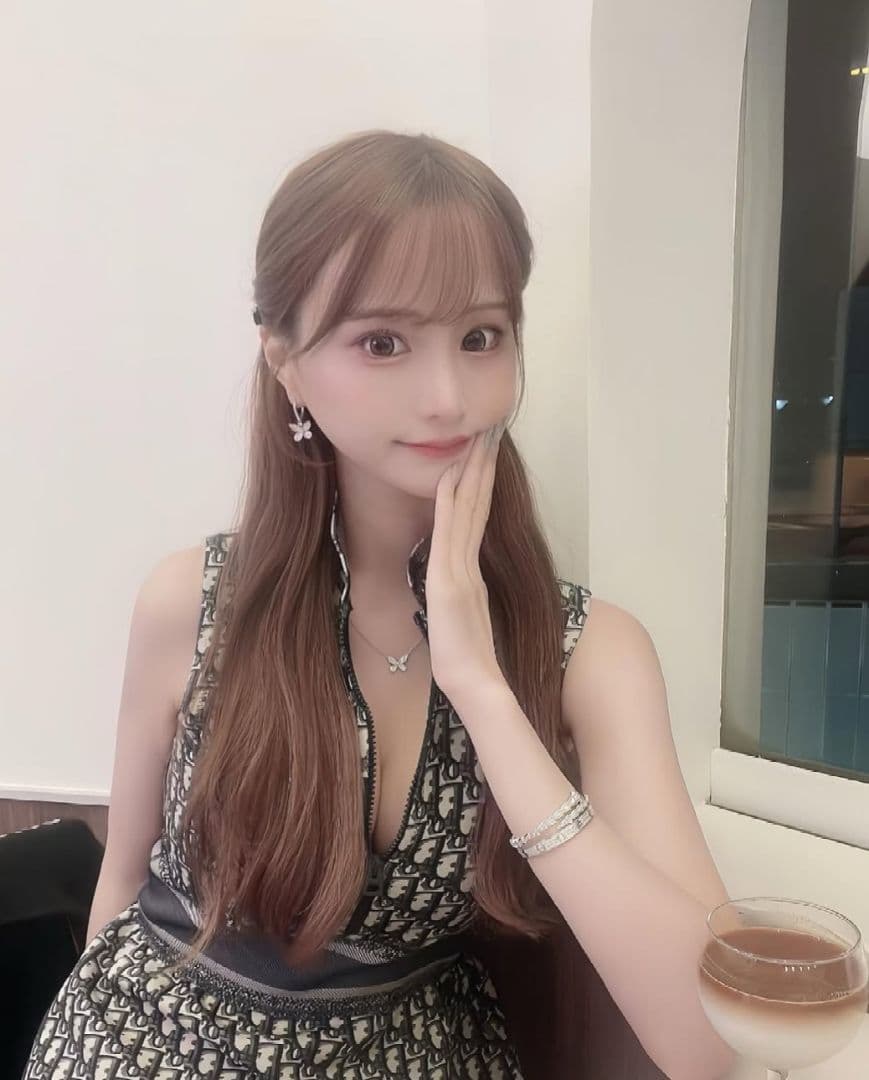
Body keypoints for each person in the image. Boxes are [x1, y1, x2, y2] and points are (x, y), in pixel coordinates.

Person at [24, 130, 735, 1079]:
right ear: (284, 359)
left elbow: (708, 1046)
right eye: (382, 342)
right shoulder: (193, 603)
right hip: (147, 1043)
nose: (448, 397)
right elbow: (122, 882)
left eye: (480, 337)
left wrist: (481, 688)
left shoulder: (589, 650)